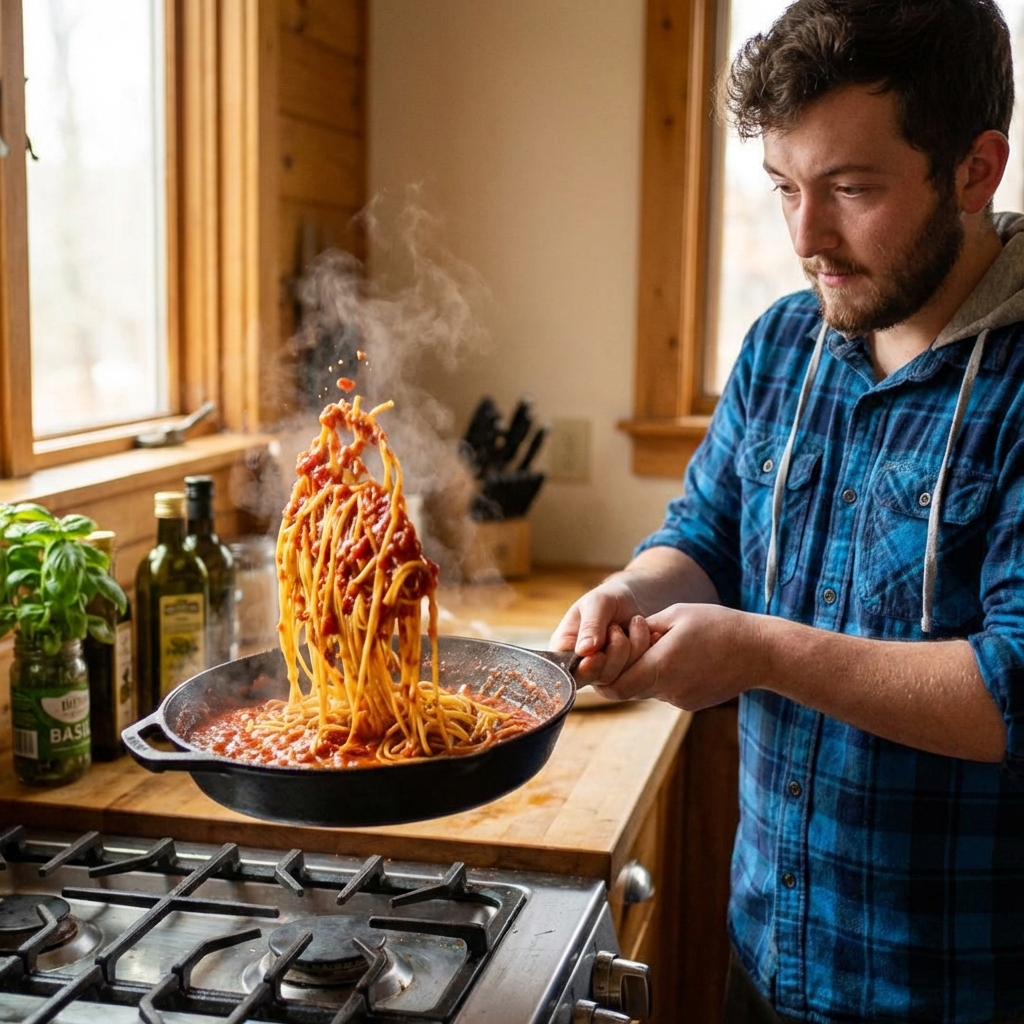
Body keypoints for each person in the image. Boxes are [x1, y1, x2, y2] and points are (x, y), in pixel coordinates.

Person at [551, 2, 1024, 1021]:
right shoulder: (781, 344)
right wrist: (627, 589)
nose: (806, 236)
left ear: (975, 169)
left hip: (964, 992)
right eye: (782, 189)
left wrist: (759, 653)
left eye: (850, 189)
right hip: (766, 959)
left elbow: (1012, 689)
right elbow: (707, 534)